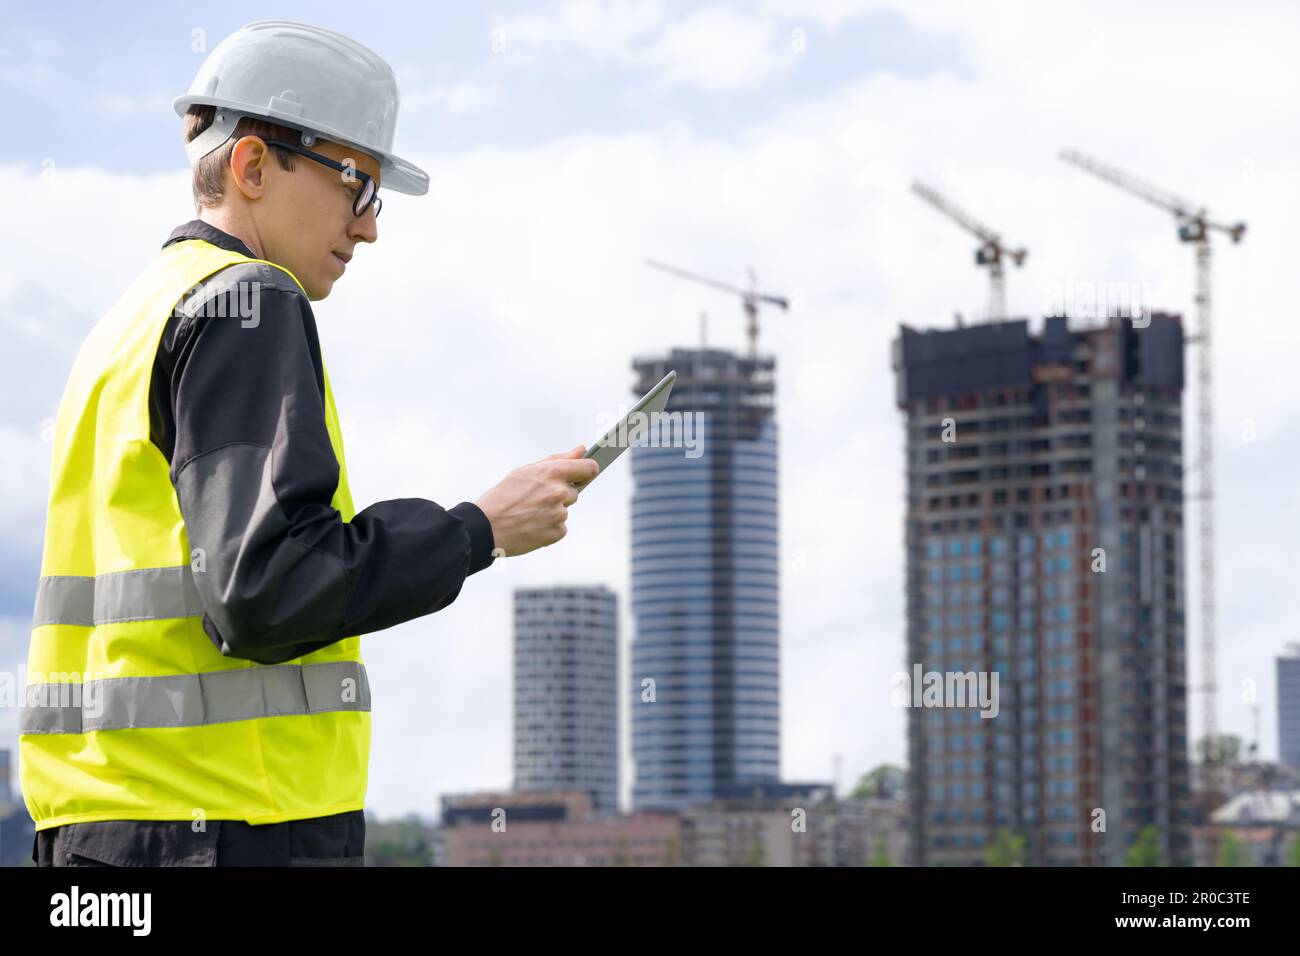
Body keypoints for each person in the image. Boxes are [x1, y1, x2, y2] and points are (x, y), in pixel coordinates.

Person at [24, 20, 598, 867]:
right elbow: (266, 589)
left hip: (100, 835)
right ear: (254, 167)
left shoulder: (127, 324)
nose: (368, 228)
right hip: (230, 823)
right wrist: (476, 530)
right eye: (357, 185)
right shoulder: (248, 303)